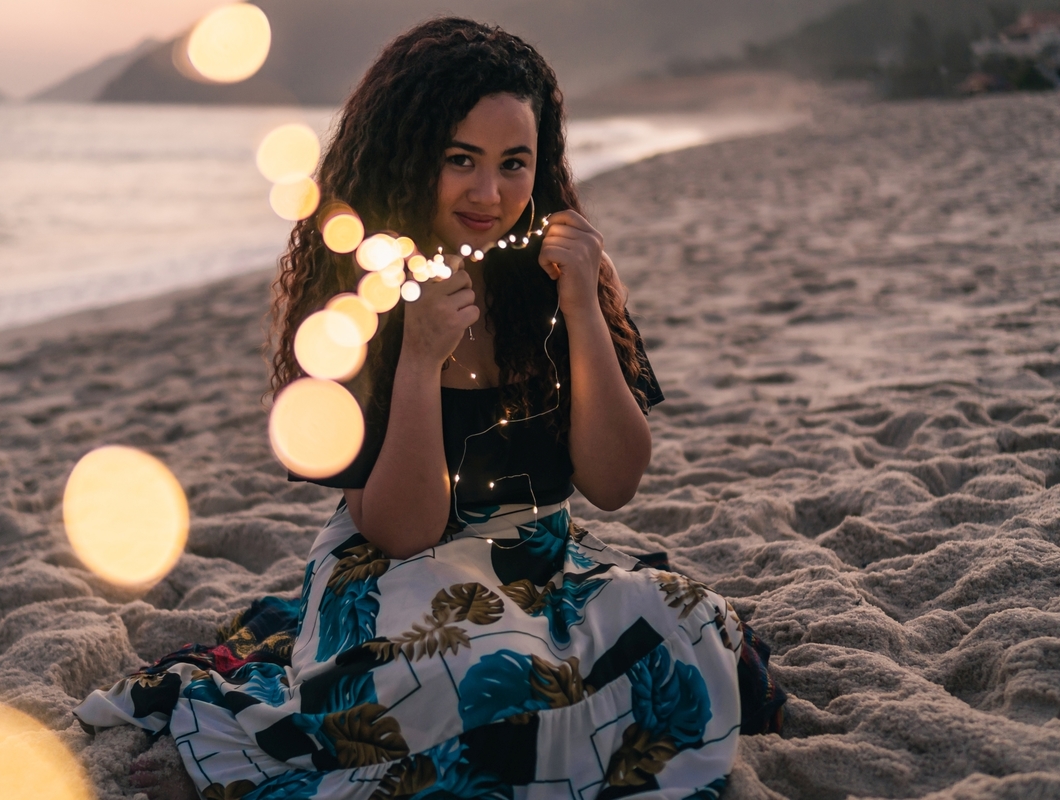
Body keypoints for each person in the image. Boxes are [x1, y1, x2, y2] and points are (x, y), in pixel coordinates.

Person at [75, 18, 784, 800]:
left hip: (541, 561)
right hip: (394, 569)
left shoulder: (559, 275)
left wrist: (583, 307)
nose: (489, 193)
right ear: (410, 157)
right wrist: (417, 360)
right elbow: (399, 528)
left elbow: (614, 484)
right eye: (461, 161)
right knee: (473, 673)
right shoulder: (355, 297)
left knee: (686, 624)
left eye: (514, 163)